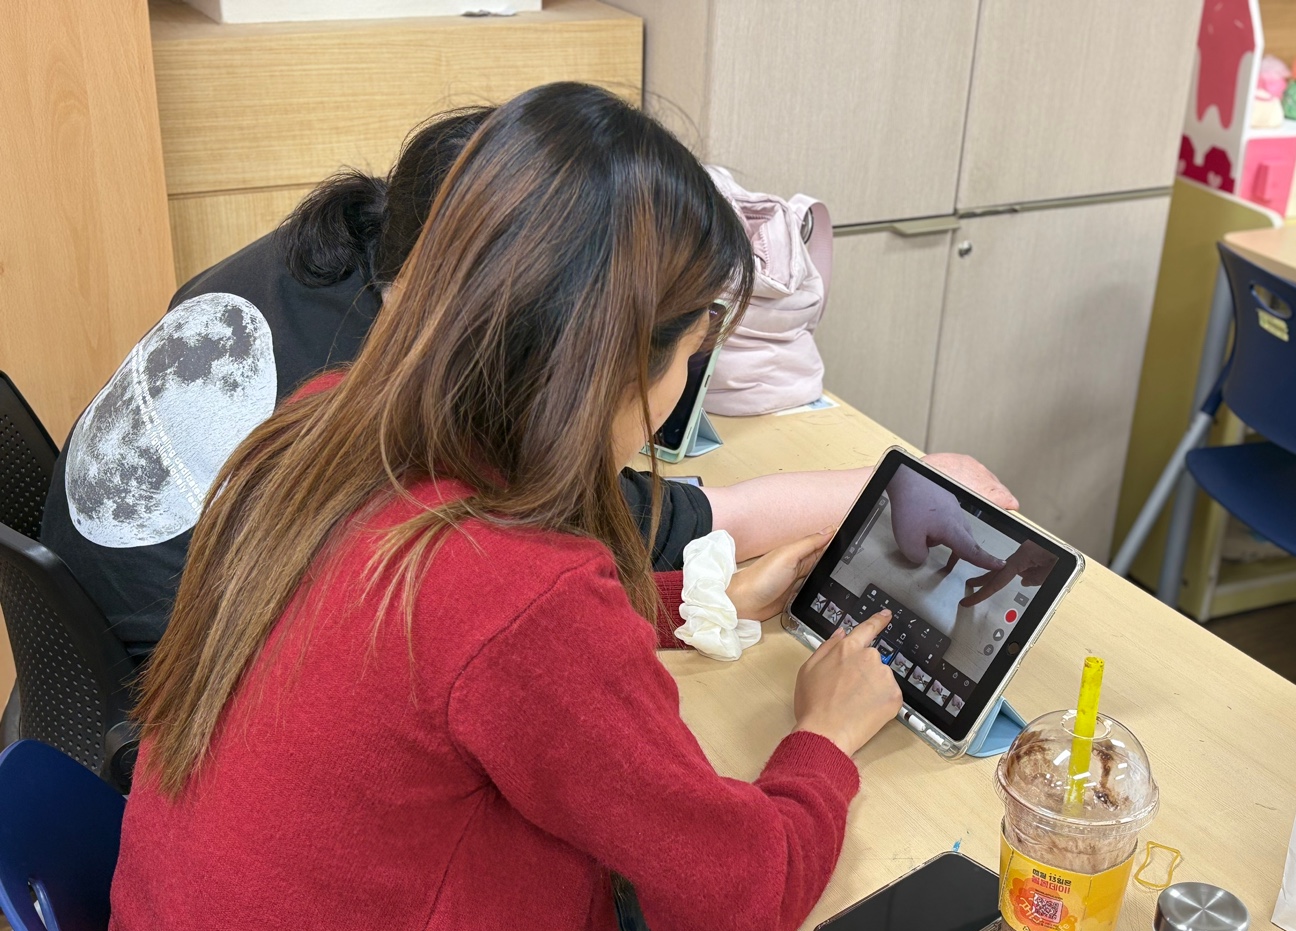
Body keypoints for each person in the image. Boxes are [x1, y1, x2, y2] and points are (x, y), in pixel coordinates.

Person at [106, 83, 905, 931]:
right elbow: (739, 898)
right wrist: (825, 737)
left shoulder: (311, 434)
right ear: (616, 361)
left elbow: (445, 655)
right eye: (692, 357)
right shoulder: (519, 597)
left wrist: (686, 601)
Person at [41, 108, 1014, 664]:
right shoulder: (405, 443)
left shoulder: (325, 259)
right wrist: (908, 484)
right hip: (188, 723)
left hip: (98, 662)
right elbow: (658, 531)